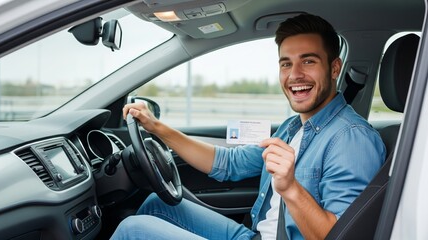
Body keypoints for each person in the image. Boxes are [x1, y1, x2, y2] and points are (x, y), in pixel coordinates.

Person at [111, 13, 386, 240]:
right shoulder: (293, 127)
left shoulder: (352, 139)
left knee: (131, 231)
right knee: (157, 205)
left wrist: (290, 188)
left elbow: (343, 236)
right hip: (255, 236)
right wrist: (157, 128)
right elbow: (229, 163)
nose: (294, 75)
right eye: (286, 64)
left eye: (309, 61)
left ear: (334, 68)